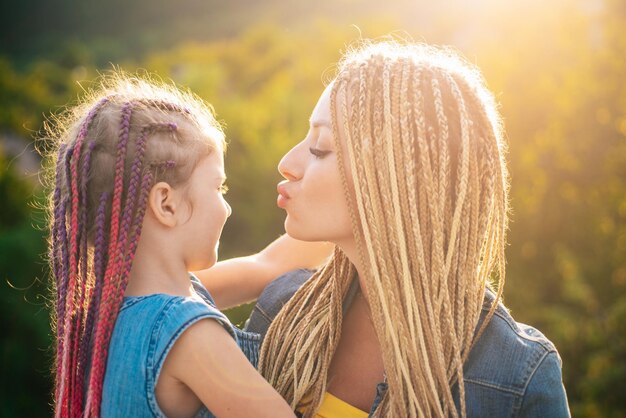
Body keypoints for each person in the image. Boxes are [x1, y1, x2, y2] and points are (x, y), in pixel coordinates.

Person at [246, 41, 571, 417]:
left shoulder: (518, 375)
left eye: (319, 147)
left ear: (395, 177)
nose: (287, 162)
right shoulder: (283, 310)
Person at [46, 72, 305, 417]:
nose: (226, 207)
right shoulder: (189, 336)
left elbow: (266, 266)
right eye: (219, 188)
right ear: (166, 204)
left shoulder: (107, 315)